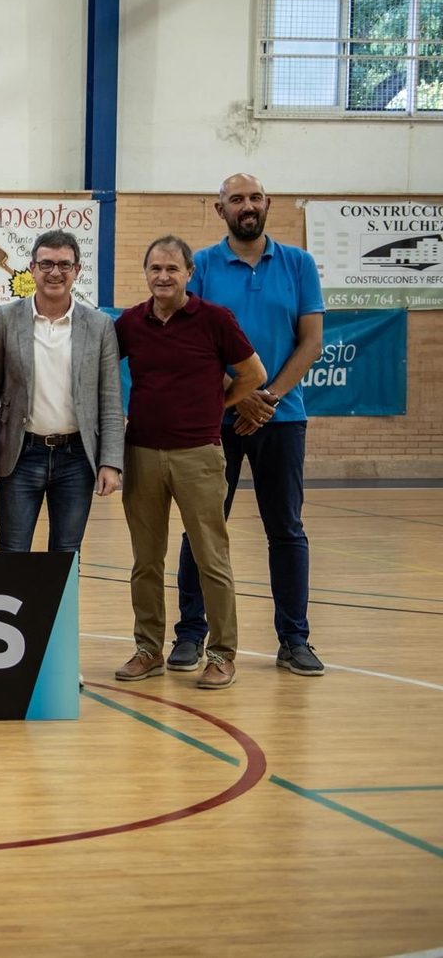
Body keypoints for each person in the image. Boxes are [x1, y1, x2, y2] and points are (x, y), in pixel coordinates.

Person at [174, 174, 327, 678]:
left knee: (286, 529)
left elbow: (310, 342)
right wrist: (239, 399)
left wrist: (269, 397)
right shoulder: (201, 267)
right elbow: (193, 345)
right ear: (219, 209)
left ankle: (294, 638)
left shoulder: (299, 264)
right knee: (201, 528)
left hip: (282, 419)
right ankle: (191, 635)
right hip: (214, 419)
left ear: (268, 205)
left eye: (254, 197)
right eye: (236, 199)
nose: (247, 206)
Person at [115, 235, 265, 691]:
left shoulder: (215, 320)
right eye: (155, 268)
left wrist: (217, 405)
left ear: (189, 274)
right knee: (146, 560)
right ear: (146, 273)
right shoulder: (130, 323)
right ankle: (147, 649)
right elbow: (102, 373)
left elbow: (254, 374)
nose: (163, 276)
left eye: (172, 269)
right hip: (140, 453)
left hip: (199, 456)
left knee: (210, 558)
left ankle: (221, 654)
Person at [0, 230, 123, 556]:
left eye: (63, 264)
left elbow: (111, 400)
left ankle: (60, 611)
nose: (54, 272)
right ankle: (14, 611)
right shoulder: (5, 318)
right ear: (32, 268)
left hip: (76, 459)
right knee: (13, 552)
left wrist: (111, 462)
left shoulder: (100, 326)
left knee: (65, 554)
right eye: (46, 263)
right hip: (20, 456)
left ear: (77, 270)